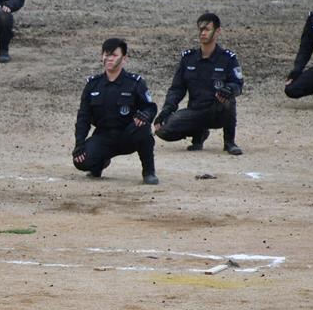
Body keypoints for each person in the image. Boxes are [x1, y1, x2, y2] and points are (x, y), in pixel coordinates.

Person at [154, 13, 244, 155]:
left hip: (217, 111)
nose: (203, 33)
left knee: (229, 99)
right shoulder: (188, 58)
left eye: (207, 29)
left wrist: (230, 89)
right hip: (195, 111)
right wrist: (166, 112)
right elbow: (177, 89)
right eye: (200, 29)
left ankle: (229, 142)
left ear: (217, 31)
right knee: (162, 130)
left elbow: (238, 85)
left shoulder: (228, 58)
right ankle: (199, 134)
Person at [73, 38, 158, 185]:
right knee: (81, 161)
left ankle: (149, 172)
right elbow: (83, 117)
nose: (109, 58)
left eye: (114, 55)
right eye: (106, 54)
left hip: (128, 135)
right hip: (103, 136)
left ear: (124, 59)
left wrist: (145, 115)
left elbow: (150, 107)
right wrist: (79, 144)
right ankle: (99, 164)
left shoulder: (134, 83)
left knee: (143, 127)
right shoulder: (93, 85)